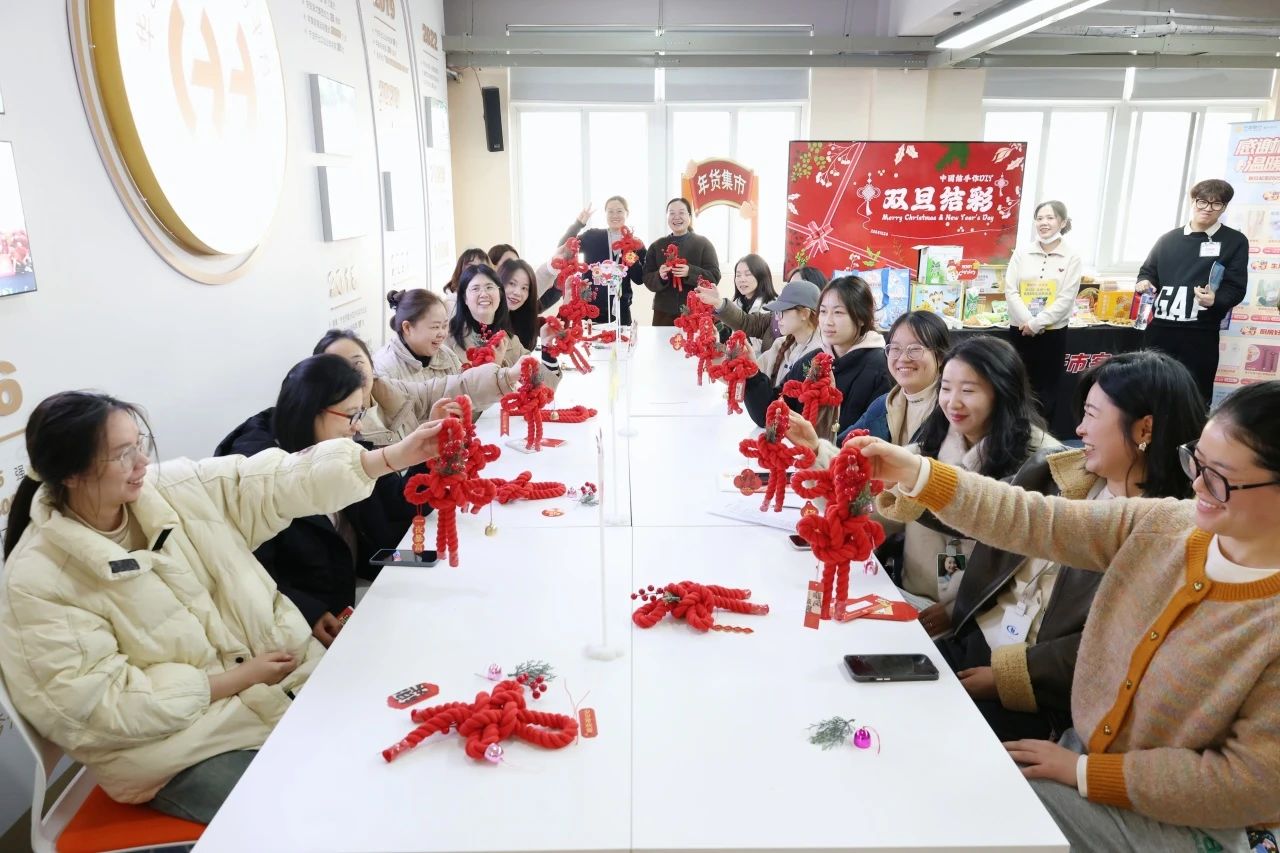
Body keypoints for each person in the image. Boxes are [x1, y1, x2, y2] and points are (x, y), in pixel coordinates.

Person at [848, 380, 1280, 852]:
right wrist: (917, 473)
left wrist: (1087, 773)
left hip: (1180, 821)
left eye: (1219, 476)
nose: (1197, 484)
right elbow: (1035, 520)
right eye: (1195, 461)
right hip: (1079, 757)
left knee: (956, 810)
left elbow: (1246, 782)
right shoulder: (1168, 526)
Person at [0, 391, 442, 822]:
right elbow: (99, 707)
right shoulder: (38, 581)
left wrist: (390, 458)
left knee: (402, 756)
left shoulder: (171, 489)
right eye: (121, 455)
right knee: (324, 814)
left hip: (283, 686)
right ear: (71, 474)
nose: (141, 463)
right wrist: (235, 679)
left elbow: (274, 480)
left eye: (139, 444)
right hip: (184, 750)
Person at [934, 351, 1207, 742]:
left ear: (1144, 429)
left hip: (1039, 693)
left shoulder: (1170, 532)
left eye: (1092, 415)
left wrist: (1009, 678)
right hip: (974, 642)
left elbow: (1114, 643)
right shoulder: (1053, 470)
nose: (1079, 429)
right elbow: (984, 512)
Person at [215, 355, 449, 648]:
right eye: (351, 415)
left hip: (356, 593)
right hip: (300, 628)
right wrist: (308, 612)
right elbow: (246, 571)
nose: (358, 427)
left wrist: (430, 454)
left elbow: (398, 502)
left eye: (361, 413)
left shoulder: (340, 449)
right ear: (310, 410)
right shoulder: (260, 478)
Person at [875, 336, 1056, 614]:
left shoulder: (1039, 460)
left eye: (968, 390)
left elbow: (1031, 564)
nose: (953, 403)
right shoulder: (934, 440)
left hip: (984, 616)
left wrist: (958, 611)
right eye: (946, 388)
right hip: (913, 596)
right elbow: (882, 502)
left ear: (1003, 391)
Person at [1136, 178, 1249, 405]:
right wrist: (1144, 282)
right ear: (1193, 201)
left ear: (1224, 207)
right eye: (1202, 201)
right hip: (1160, 328)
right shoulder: (1168, 239)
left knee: (1195, 396)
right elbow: (1147, 272)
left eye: (1216, 204)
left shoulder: (1234, 241)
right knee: (1151, 391)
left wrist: (1215, 300)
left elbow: (1236, 287)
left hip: (1200, 332)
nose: (1208, 208)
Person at [743, 275, 892, 440]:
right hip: (804, 455)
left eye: (838, 312)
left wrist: (818, 448)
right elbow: (769, 414)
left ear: (861, 318)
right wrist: (751, 372)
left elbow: (873, 438)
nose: (828, 321)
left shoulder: (881, 369)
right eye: (823, 311)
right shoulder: (813, 361)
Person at [325, 327, 517, 444]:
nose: (351, 373)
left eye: (357, 362)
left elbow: (447, 388)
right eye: (339, 367)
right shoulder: (337, 432)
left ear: (370, 363)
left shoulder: (388, 391)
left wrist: (507, 376)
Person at [1003, 200, 1083, 425]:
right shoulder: (1022, 252)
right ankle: (1014, 432)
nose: (1043, 223)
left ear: (1062, 222)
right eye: (1039, 218)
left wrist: (1037, 323)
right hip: (1020, 330)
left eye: (1050, 218)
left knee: (1046, 391)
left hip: (1052, 333)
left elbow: (1066, 299)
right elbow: (1010, 289)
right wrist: (1028, 321)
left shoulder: (1072, 257)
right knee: (1016, 384)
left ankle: (1041, 436)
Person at [445, 265, 563, 388]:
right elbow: (452, 392)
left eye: (489, 287)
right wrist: (494, 369)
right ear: (464, 298)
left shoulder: (511, 341)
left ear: (500, 294)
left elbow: (545, 385)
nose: (484, 294)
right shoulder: (447, 340)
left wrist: (547, 345)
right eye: (475, 288)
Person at [557, 198, 647, 325]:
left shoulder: (635, 243)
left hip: (621, 310)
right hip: (590, 307)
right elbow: (563, 247)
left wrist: (629, 253)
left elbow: (639, 279)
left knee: (622, 338)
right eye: (610, 211)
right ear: (605, 214)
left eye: (619, 211)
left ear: (627, 213)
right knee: (589, 338)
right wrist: (578, 224)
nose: (615, 215)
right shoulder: (592, 236)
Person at [641, 197, 720, 326]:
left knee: (696, 339)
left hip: (696, 311)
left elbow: (714, 276)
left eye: (681, 212)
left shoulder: (703, 244)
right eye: (672, 213)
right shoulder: (656, 246)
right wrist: (660, 276)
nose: (676, 217)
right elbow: (647, 278)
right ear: (667, 217)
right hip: (663, 314)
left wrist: (690, 271)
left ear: (690, 216)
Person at [697, 254, 781, 354]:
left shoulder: (775, 308)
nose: (742, 279)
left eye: (748, 274)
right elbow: (727, 342)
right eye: (738, 275)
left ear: (761, 276)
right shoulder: (735, 304)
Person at [498, 257, 541, 350]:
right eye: (512, 283)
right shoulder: (485, 321)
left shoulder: (522, 320)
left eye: (524, 288)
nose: (517, 292)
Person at [441, 247, 489, 314]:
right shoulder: (451, 305)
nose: (478, 271)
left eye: (482, 267)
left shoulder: (491, 298)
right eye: (471, 267)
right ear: (460, 271)